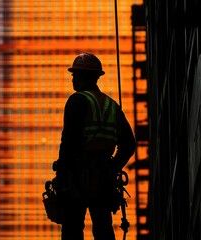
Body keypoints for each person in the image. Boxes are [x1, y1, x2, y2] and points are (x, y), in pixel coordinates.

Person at [55, 52, 136, 240]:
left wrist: (62, 176)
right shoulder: (112, 105)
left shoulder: (77, 101)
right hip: (103, 178)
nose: (72, 79)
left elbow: (69, 141)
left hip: (78, 175)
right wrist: (112, 168)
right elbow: (129, 144)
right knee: (103, 227)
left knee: (72, 226)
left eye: (75, 75)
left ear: (83, 77)